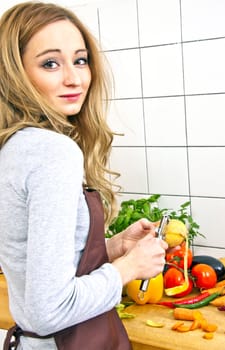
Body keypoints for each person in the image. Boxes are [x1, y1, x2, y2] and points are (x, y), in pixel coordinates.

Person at [0, 2, 168, 349]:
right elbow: (47, 311)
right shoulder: (52, 152)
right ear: (14, 73)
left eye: (80, 59)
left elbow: (37, 266)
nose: (74, 78)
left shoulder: (13, 147)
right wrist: (128, 269)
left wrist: (113, 248)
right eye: (50, 63)